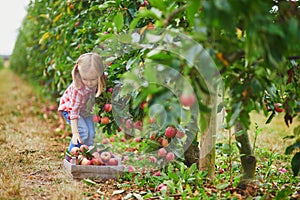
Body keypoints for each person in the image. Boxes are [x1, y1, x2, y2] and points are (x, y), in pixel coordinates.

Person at [58, 52, 106, 152]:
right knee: (83, 132)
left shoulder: (102, 77)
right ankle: (72, 156)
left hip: (85, 110)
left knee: (91, 134)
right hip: (70, 110)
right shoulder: (78, 89)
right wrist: (75, 133)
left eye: (93, 79)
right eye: (85, 79)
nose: (89, 83)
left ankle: (86, 157)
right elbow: (74, 112)